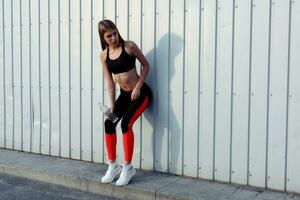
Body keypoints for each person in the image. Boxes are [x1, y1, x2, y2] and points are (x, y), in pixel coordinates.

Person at [98, 19, 152, 186]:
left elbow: (146, 65)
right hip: (123, 95)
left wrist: (138, 87)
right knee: (109, 123)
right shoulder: (104, 55)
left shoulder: (129, 46)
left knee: (125, 124)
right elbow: (109, 81)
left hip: (140, 93)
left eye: (115, 33)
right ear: (103, 38)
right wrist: (112, 104)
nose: (114, 37)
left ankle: (127, 167)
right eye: (109, 36)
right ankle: (113, 166)